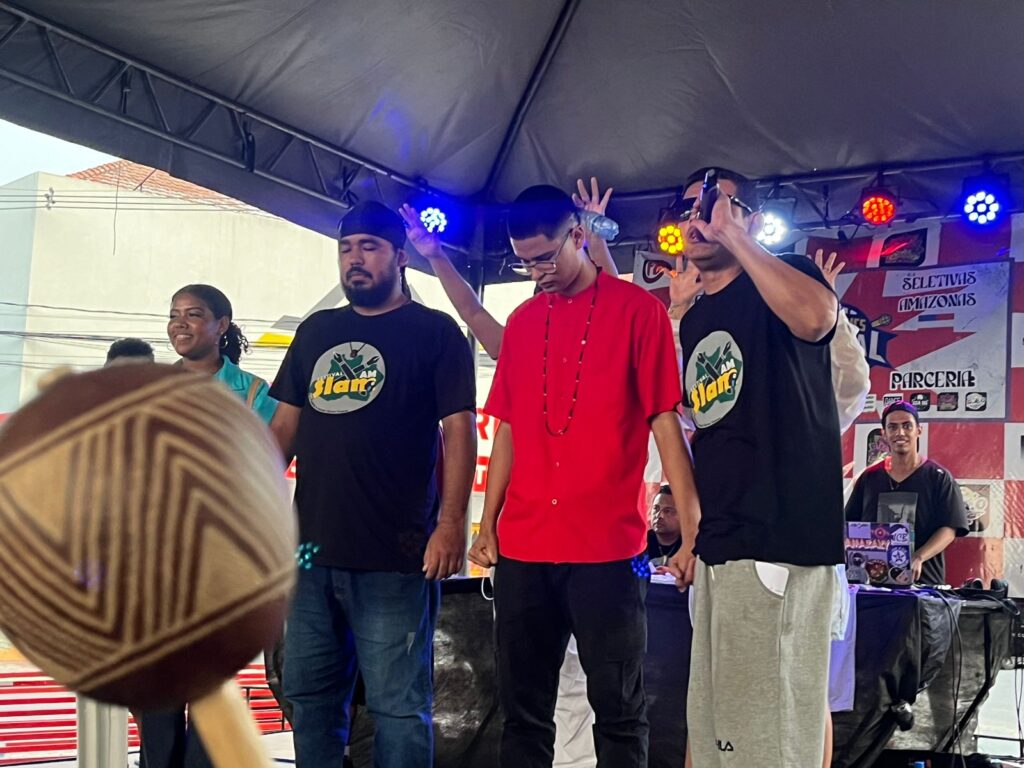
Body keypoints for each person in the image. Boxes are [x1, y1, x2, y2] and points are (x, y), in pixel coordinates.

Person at [468, 185, 700, 768]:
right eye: (525, 262)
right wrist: (487, 523)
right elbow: (508, 428)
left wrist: (692, 527)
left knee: (619, 713)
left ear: (578, 236)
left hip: (609, 549)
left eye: (546, 257)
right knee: (522, 713)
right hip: (524, 547)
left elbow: (665, 421)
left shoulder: (638, 311)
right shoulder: (522, 321)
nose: (538, 272)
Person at [268, 200, 476, 768]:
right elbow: (283, 429)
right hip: (309, 554)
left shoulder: (435, 333)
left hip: (397, 556)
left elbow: (459, 431)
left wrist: (451, 524)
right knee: (310, 699)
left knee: (399, 708)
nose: (354, 259)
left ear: (400, 258)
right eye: (346, 249)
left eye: (369, 247)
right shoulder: (317, 331)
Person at [667, 167, 843, 767]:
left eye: (712, 206)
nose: (697, 219)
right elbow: (702, 426)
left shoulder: (787, 271)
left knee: (770, 742)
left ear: (748, 216)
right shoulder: (697, 317)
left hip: (780, 541)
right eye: (688, 209)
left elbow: (817, 319)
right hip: (722, 544)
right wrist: (695, 533)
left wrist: (738, 238)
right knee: (719, 736)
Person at [136, 284, 277, 768]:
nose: (180, 323)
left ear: (222, 326)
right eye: (174, 313)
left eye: (194, 314)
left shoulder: (255, 394)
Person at [845, 401, 968, 585]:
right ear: (884, 434)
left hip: (923, 585)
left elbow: (950, 529)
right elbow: (850, 526)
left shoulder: (938, 477)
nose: (900, 433)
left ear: (919, 430)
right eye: (892, 427)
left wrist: (919, 557)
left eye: (907, 426)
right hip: (873, 585)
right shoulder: (869, 478)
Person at [647, 484, 682, 566]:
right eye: (656, 509)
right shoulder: (642, 543)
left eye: (667, 511)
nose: (659, 516)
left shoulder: (690, 544)